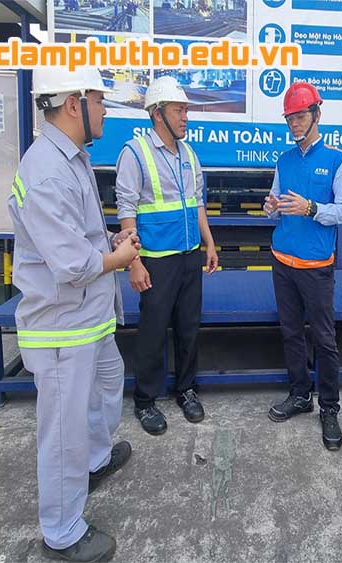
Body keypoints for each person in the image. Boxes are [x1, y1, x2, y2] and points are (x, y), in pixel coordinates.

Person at [9, 66, 141, 561]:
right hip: (61, 325)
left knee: (107, 383)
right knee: (63, 429)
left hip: (89, 316)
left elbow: (77, 236)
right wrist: (119, 258)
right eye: (100, 101)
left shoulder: (71, 158)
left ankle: (95, 459)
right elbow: (71, 265)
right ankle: (62, 531)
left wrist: (110, 242)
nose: (105, 110)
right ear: (73, 103)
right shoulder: (46, 171)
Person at [115, 75, 218, 435]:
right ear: (157, 113)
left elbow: (197, 202)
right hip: (156, 261)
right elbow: (126, 210)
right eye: (178, 110)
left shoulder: (189, 154)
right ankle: (145, 401)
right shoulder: (135, 153)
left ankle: (186, 390)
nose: (185, 117)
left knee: (189, 329)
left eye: (186, 110)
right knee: (153, 332)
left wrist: (209, 243)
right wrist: (134, 262)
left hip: (189, 257)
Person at [264, 82, 342, 450]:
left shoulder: (336, 160)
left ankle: (329, 408)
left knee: (324, 339)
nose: (294, 124)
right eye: (289, 118)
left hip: (316, 267)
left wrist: (312, 208)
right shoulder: (284, 160)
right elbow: (275, 206)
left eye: (300, 116)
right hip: (282, 262)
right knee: (290, 333)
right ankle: (300, 394)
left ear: (317, 114)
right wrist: (271, 207)